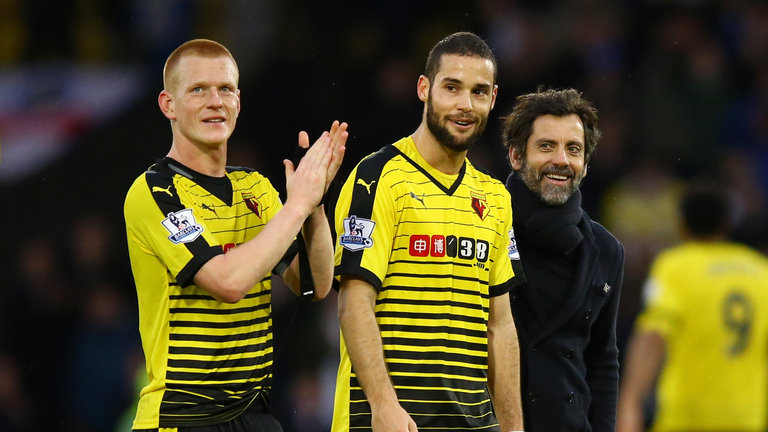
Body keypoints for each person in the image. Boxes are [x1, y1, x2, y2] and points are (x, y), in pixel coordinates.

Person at [123, 39, 349, 432]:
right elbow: (227, 282)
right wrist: (296, 205)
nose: (215, 101)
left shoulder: (255, 188)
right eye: (198, 89)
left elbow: (315, 283)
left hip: (257, 416)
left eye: (225, 89)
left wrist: (316, 204)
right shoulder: (153, 192)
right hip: (183, 418)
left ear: (239, 102)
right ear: (168, 105)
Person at [331, 32, 524, 432]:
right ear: (424, 88)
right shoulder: (376, 178)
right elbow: (354, 303)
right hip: (387, 422)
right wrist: (384, 406)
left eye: (478, 91)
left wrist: (513, 427)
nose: (464, 105)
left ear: (492, 98)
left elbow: (501, 326)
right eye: (452, 87)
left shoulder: (495, 197)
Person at [500, 88, 625, 431]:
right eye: (546, 146)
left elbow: (603, 360)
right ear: (515, 156)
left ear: (585, 165)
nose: (561, 160)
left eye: (573, 149)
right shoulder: (483, 226)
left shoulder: (606, 249)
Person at [617, 184, 768, 432]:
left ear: (681, 224)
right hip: (748, 417)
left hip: (687, 416)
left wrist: (630, 402)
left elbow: (653, 336)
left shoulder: (676, 266)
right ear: (728, 223)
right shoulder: (761, 271)